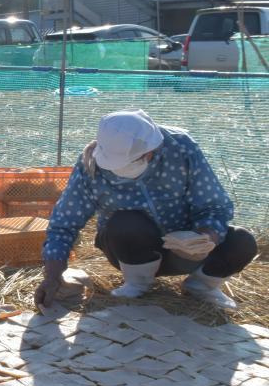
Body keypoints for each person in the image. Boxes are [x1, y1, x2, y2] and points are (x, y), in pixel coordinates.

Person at [35, 110, 258, 310]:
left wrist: (205, 236)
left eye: (127, 163)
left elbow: (214, 203)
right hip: (130, 249)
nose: (119, 172)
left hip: (186, 252)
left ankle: (202, 286)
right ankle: (137, 283)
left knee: (242, 242)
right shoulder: (90, 164)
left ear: (150, 153)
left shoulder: (181, 148)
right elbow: (64, 221)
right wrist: (53, 275)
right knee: (125, 223)